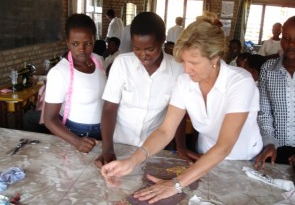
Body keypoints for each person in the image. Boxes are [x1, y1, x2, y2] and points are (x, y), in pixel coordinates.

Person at [100, 11, 263, 203]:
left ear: (214, 58)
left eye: (193, 63)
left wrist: (176, 184)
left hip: (242, 162)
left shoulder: (240, 82)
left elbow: (224, 146)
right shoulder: (186, 82)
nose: (186, 69)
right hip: (203, 159)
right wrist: (131, 161)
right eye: (184, 62)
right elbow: (165, 130)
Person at [94, 12, 195, 167]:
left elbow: (177, 114)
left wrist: (181, 146)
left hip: (154, 147)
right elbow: (109, 109)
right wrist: (107, 149)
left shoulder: (177, 69)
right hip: (121, 144)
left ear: (162, 41)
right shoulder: (122, 64)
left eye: (150, 49)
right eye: (137, 49)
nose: (143, 55)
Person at [44, 14, 107, 153]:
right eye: (75, 44)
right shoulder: (59, 73)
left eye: (88, 43)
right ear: (67, 42)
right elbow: (49, 119)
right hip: (74, 133)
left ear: (94, 40)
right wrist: (76, 141)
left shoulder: (98, 60)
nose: (82, 49)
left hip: (103, 130)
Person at [255, 16, 295, 172]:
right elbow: (264, 112)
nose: (291, 44)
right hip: (276, 150)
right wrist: (269, 143)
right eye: (286, 38)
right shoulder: (268, 69)